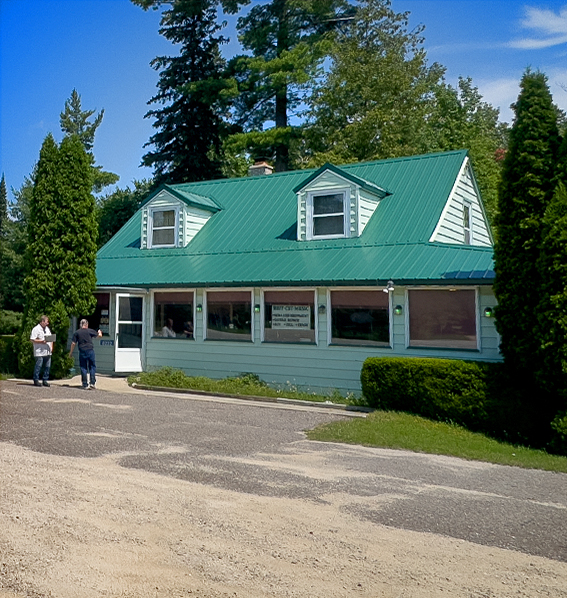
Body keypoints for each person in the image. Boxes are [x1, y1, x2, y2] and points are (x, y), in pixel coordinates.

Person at [69, 319, 102, 390]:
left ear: (80, 325)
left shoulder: (77, 333)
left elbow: (73, 343)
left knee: (83, 367)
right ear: (86, 324)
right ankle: (92, 383)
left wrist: (71, 353)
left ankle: (85, 384)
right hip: (90, 350)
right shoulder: (89, 331)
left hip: (82, 351)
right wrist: (100, 332)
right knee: (92, 366)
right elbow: (99, 336)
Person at [30, 315, 53, 387]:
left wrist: (51, 347)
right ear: (42, 321)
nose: (47, 323)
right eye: (46, 322)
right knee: (38, 366)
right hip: (39, 351)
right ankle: (36, 380)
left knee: (47, 366)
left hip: (47, 351)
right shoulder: (36, 329)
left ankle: (45, 380)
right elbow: (32, 339)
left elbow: (51, 338)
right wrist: (41, 341)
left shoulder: (47, 329)